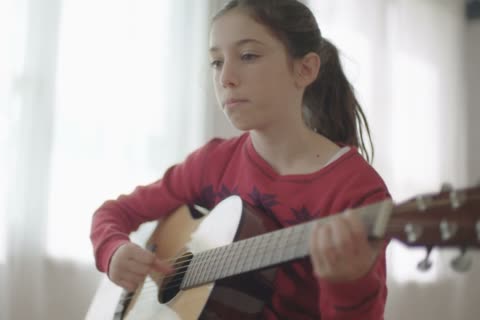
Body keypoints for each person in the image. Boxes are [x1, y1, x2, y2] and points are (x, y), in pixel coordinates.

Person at [90, 0, 390, 319]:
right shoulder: (213, 162)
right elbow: (114, 213)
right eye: (217, 62)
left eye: (248, 56)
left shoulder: (357, 191)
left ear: (305, 69)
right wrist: (113, 250)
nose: (226, 78)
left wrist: (348, 284)